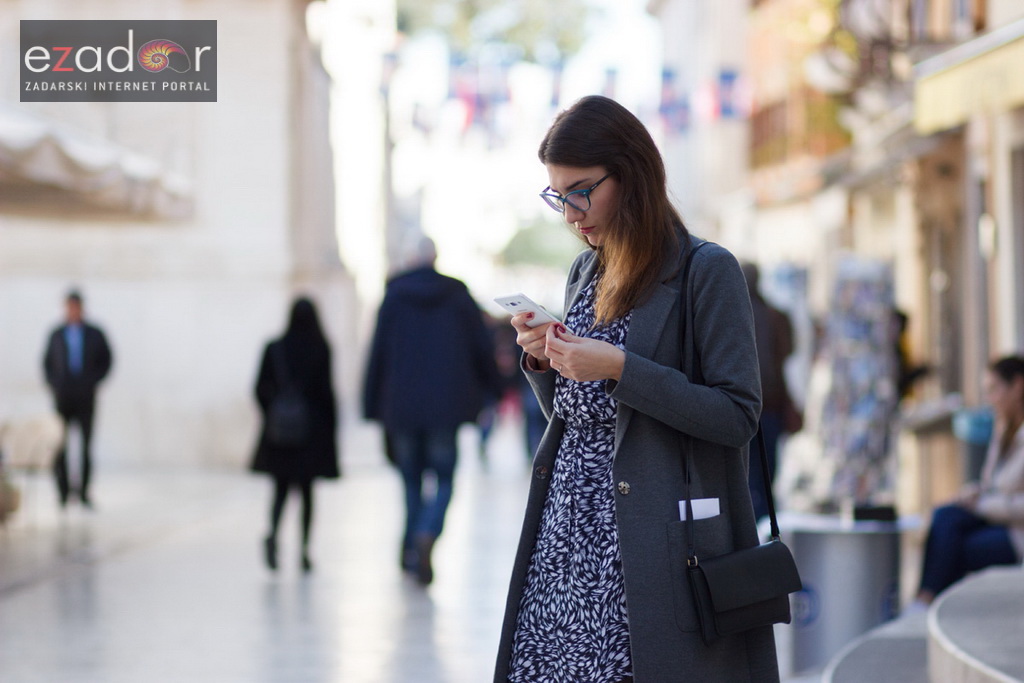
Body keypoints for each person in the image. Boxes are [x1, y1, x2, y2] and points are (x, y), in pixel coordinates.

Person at [495, 96, 775, 682]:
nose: (570, 212)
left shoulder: (705, 269)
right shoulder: (585, 272)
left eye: (580, 190)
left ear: (631, 174)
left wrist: (623, 367)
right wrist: (549, 361)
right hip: (568, 538)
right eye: (558, 196)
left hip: (654, 544)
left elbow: (737, 414)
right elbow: (581, 417)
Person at [362, 236, 501, 585]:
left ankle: (411, 544)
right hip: (447, 407)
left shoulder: (393, 296)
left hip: (402, 407)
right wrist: (494, 389)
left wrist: (371, 404)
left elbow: (377, 353)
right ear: (435, 258)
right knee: (444, 478)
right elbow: (481, 348)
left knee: (409, 480)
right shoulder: (458, 296)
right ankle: (426, 534)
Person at [909, 355, 1024, 608]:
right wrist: (973, 494)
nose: (990, 399)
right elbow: (991, 481)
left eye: (995, 390)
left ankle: (927, 602)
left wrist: (983, 506)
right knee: (943, 516)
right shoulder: (1004, 426)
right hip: (993, 516)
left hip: (1016, 531)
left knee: (957, 547)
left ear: (1017, 386)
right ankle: (925, 600)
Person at [251, 297, 339, 572]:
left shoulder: (274, 348)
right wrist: (329, 430)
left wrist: (274, 414)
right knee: (307, 494)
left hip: (280, 436)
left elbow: (258, 388)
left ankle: (273, 536)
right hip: (310, 433)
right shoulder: (320, 349)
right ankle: (304, 551)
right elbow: (327, 395)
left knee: (279, 491)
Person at [43, 289, 113, 508]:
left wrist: (93, 381)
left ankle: (83, 492)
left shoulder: (95, 333)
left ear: (82, 308)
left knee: (85, 445)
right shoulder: (57, 333)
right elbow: (46, 363)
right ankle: (63, 492)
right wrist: (56, 384)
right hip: (63, 397)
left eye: (76, 307)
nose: (72, 311)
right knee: (59, 445)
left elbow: (107, 360)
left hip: (86, 397)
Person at [741, 262, 797, 520]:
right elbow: (788, 353)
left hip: (742, 404)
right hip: (768, 405)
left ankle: (755, 523)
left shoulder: (732, 313)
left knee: (747, 472)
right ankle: (764, 524)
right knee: (766, 471)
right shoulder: (776, 315)